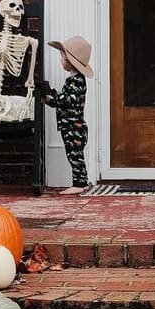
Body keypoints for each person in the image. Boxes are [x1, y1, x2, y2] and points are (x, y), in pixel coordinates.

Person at [38, 36, 94, 194]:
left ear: (70, 60)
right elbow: (65, 99)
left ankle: (78, 184)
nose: (61, 61)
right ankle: (81, 182)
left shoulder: (76, 80)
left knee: (75, 156)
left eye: (62, 57)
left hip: (74, 127)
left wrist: (52, 97)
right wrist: (50, 98)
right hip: (71, 126)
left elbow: (68, 100)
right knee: (75, 155)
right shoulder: (73, 80)